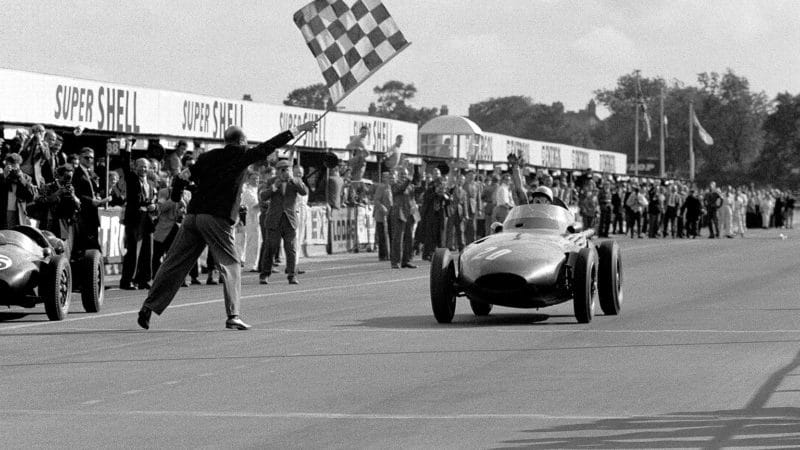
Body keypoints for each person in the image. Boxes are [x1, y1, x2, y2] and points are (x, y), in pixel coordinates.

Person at [137, 121, 317, 331]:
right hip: (217, 218)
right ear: (241, 141)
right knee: (231, 264)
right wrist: (297, 130)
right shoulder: (241, 154)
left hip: (193, 216)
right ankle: (233, 315)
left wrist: (176, 198)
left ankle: (148, 307)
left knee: (173, 263)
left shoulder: (207, 156)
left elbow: (182, 177)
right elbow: (268, 146)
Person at [258, 159, 308, 285]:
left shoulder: (295, 181)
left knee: (290, 248)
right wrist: (275, 186)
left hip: (289, 220)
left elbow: (304, 192)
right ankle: (264, 274)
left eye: (287, 169)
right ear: (278, 171)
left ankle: (292, 275)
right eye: (282, 169)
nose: (284, 172)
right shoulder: (271, 181)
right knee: (271, 247)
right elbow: (263, 196)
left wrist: (294, 180)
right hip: (274, 220)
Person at [119, 144, 158, 290]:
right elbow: (125, 164)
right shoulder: (132, 179)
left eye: (146, 167)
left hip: (147, 219)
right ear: (135, 168)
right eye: (140, 166)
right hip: (134, 218)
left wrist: (154, 206)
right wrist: (128, 147)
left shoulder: (152, 183)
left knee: (148, 250)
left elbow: (154, 201)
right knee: (133, 251)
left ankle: (145, 279)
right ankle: (127, 280)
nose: (143, 169)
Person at [72, 147, 110, 254]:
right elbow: (76, 192)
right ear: (80, 158)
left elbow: (95, 189)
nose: (89, 160)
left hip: (92, 214)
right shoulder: (76, 173)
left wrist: (98, 197)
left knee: (92, 242)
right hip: (83, 214)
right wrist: (91, 201)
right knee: (87, 245)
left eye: (91, 158)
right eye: (86, 157)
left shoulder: (92, 173)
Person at [390, 166, 418, 269]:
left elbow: (412, 199)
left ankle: (407, 260)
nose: (404, 176)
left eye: (405, 174)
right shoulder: (395, 185)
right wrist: (409, 179)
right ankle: (395, 261)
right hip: (399, 214)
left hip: (409, 213)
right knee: (398, 238)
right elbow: (401, 189)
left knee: (409, 238)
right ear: (398, 176)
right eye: (401, 174)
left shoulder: (411, 186)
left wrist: (415, 211)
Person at [1, 153, 36, 230]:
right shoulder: (1, 176)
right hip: (3, 212)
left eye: (15, 168)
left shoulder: (26, 178)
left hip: (18, 213)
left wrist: (21, 179)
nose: (13, 171)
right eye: (11, 168)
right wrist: (4, 177)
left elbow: (30, 197)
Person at [372, 170, 394, 261]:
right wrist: (382, 208)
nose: (387, 179)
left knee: (391, 234)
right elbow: (376, 200)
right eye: (385, 177)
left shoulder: (392, 187)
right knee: (382, 235)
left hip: (391, 215)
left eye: (388, 177)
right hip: (382, 215)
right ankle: (383, 255)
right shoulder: (381, 187)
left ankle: (391, 254)